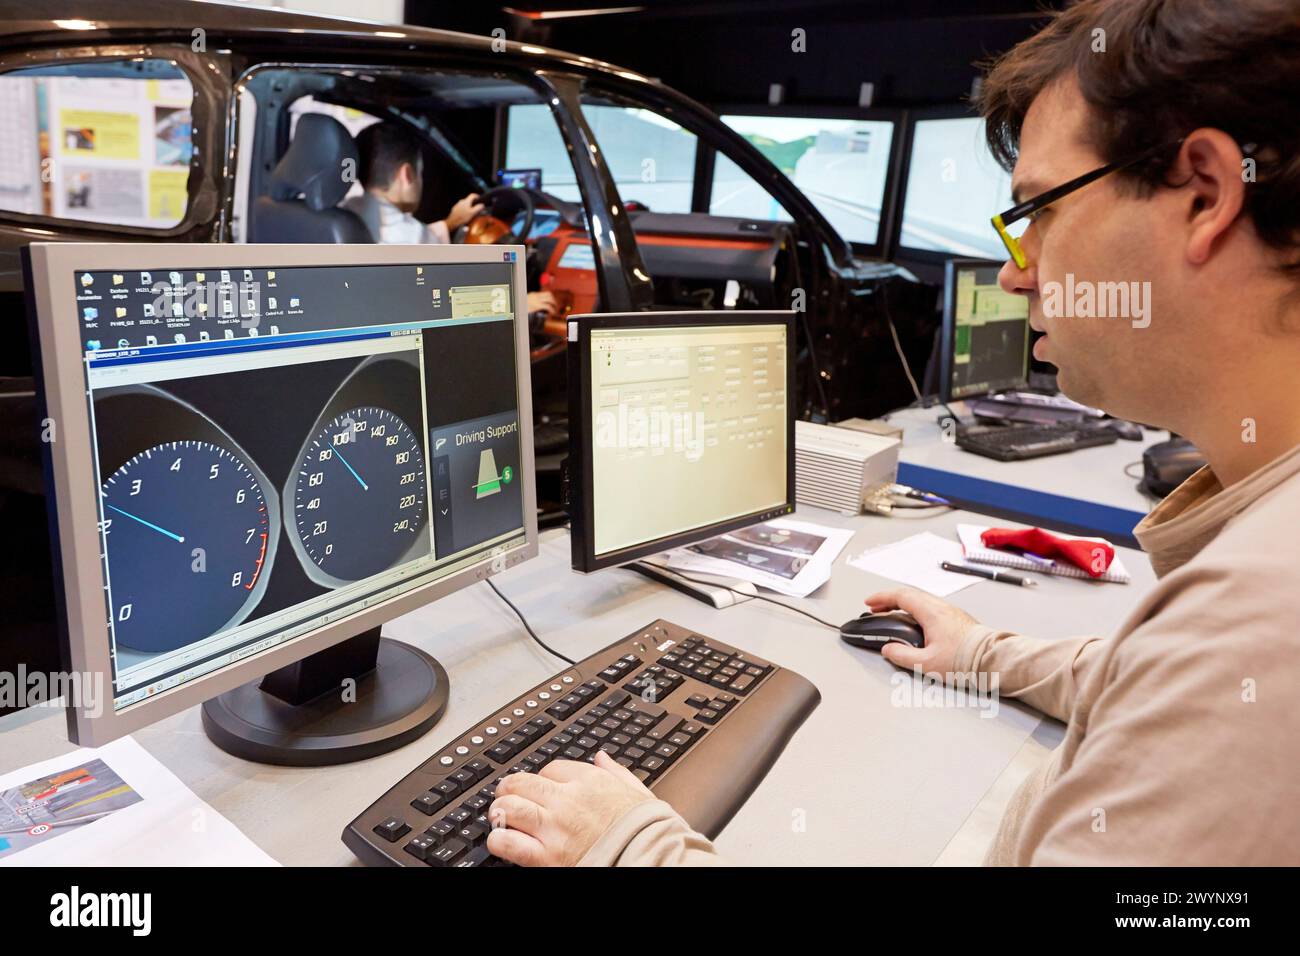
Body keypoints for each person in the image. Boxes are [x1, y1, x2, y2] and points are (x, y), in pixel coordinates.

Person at [484, 0, 1300, 866]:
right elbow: (1165, 688)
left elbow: (1213, 681)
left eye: (1039, 213)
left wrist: (626, 846)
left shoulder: (1258, 626)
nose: (1015, 276)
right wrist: (988, 652)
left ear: (1205, 193)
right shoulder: (1244, 609)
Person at [343, 122, 559, 318]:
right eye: (420, 172)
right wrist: (520, 303)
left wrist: (450, 223)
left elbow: (396, 241)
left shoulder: (349, 210)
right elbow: (452, 302)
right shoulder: (412, 237)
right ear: (406, 174)